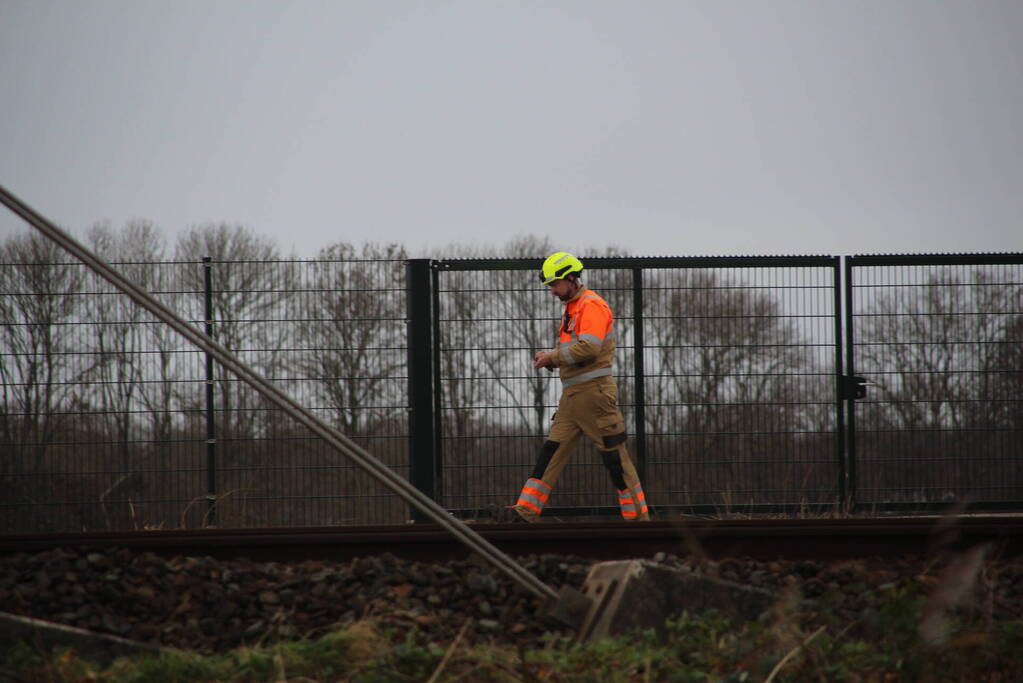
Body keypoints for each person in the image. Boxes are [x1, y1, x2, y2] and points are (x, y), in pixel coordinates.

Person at [507, 251, 650, 522]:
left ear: (571, 278)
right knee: (552, 452)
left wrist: (553, 357)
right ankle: (525, 512)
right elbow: (574, 350)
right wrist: (552, 358)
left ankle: (639, 522)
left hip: (594, 396)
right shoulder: (573, 308)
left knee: (615, 459)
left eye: (555, 284)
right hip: (573, 398)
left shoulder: (591, 306)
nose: (551, 290)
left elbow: (590, 348)